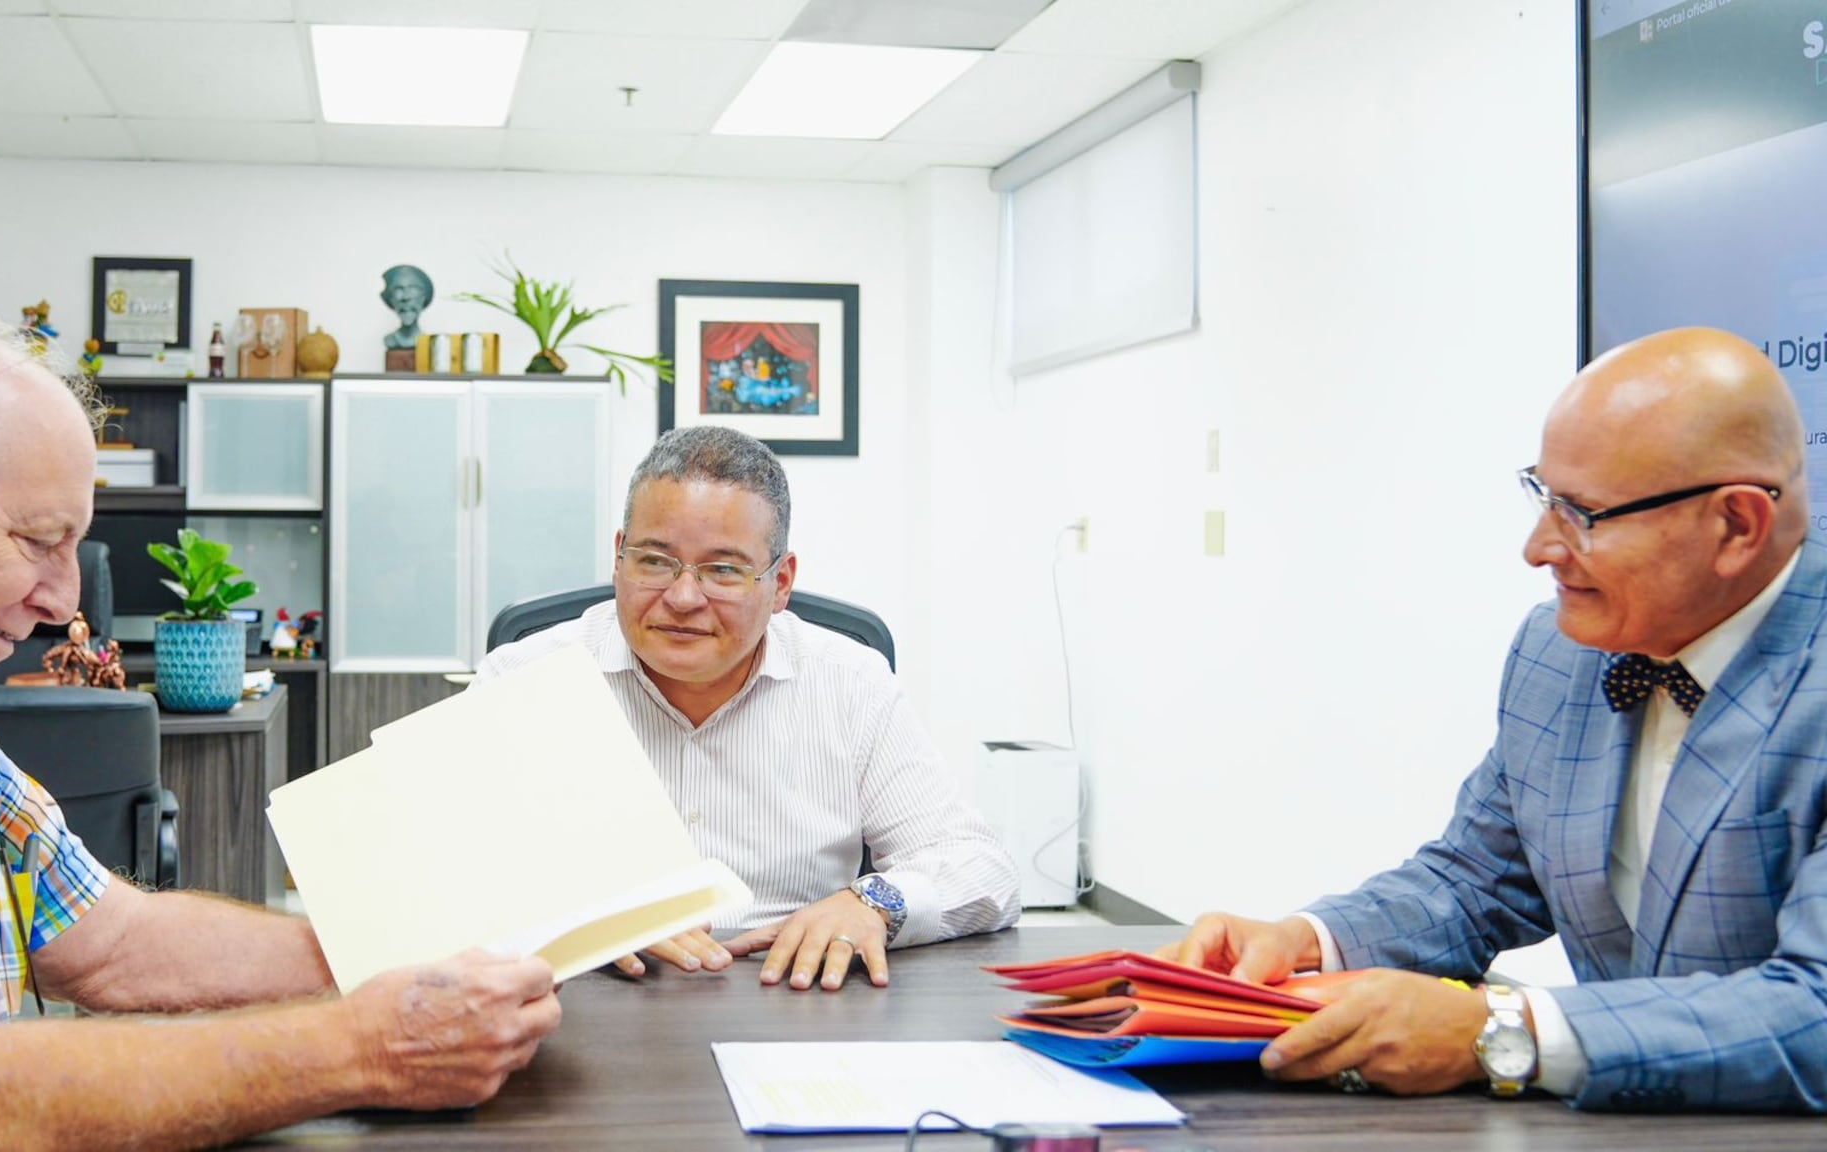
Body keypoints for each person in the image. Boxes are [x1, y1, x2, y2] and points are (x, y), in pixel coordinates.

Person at [0, 285, 560, 1149]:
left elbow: (116, 940)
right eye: (38, 541)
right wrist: (367, 1044)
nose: (63, 600)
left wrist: (420, 951)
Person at [1164, 327, 1827, 1112]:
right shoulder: (1560, 652)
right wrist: (1308, 940)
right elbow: (1477, 878)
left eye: (1582, 513)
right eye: (1542, 496)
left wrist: (1505, 1030)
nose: (1538, 546)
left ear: (1737, 526)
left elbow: (1813, 1011)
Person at [477, 426, 1020, 993]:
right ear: (619, 558)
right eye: (656, 561)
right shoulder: (522, 677)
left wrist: (871, 903)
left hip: (795, 994)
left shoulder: (850, 684)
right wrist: (583, 915)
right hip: (582, 998)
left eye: (724, 571)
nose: (684, 598)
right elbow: (434, 874)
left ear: (780, 583)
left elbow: (983, 868)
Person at [380, 264, 434, 350]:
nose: (406, 297)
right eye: (398, 289)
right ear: (391, 299)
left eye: (413, 288)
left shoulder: (426, 341)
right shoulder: (390, 340)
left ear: (423, 297)